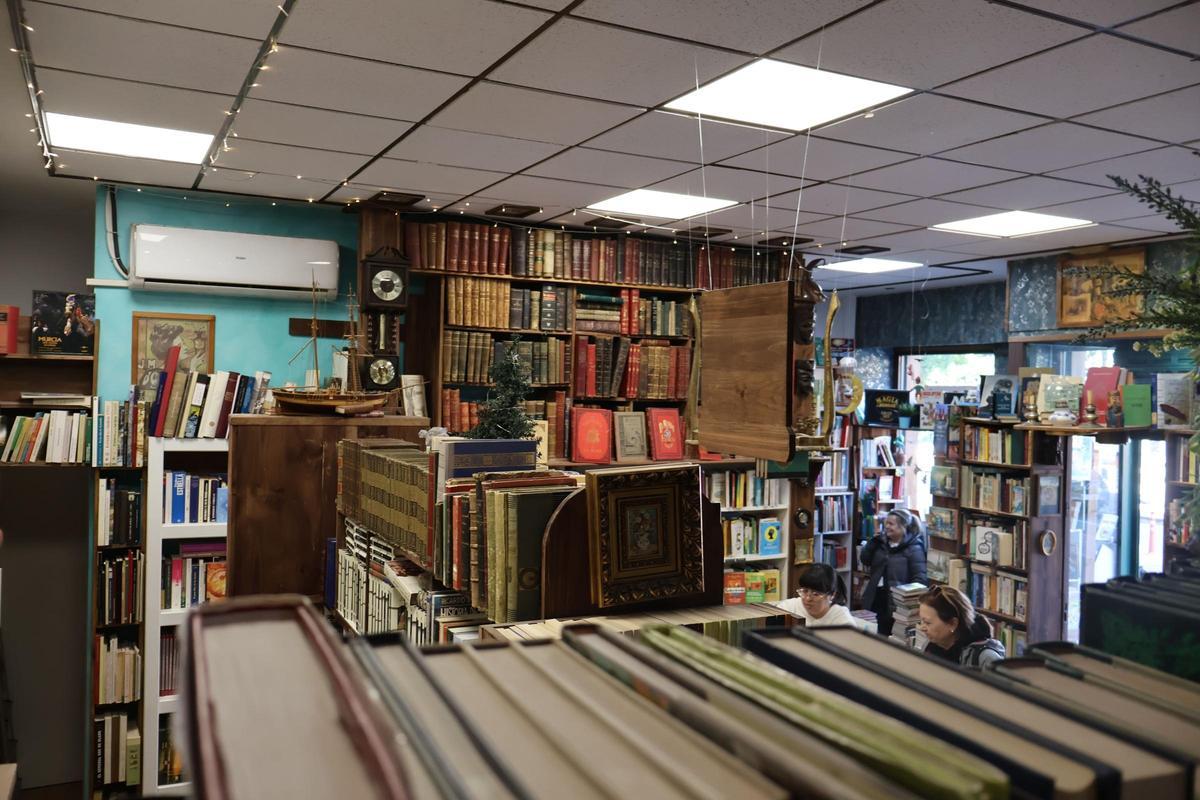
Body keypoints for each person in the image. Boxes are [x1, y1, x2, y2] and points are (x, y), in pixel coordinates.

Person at [859, 508, 927, 637]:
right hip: (879, 595)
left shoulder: (914, 548)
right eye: (886, 523)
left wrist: (909, 600)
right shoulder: (881, 543)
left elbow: (920, 578)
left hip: (898, 599)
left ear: (903, 526)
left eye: (891, 524)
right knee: (880, 632)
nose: (887, 527)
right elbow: (865, 560)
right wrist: (872, 543)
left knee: (895, 633)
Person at [918, 585, 1005, 669]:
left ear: (953, 623)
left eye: (927, 623)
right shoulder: (929, 647)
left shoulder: (986, 658)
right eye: (921, 621)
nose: (921, 628)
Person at [773, 563, 864, 628]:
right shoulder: (789, 607)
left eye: (815, 594)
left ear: (832, 595)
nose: (808, 598)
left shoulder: (840, 618)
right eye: (804, 591)